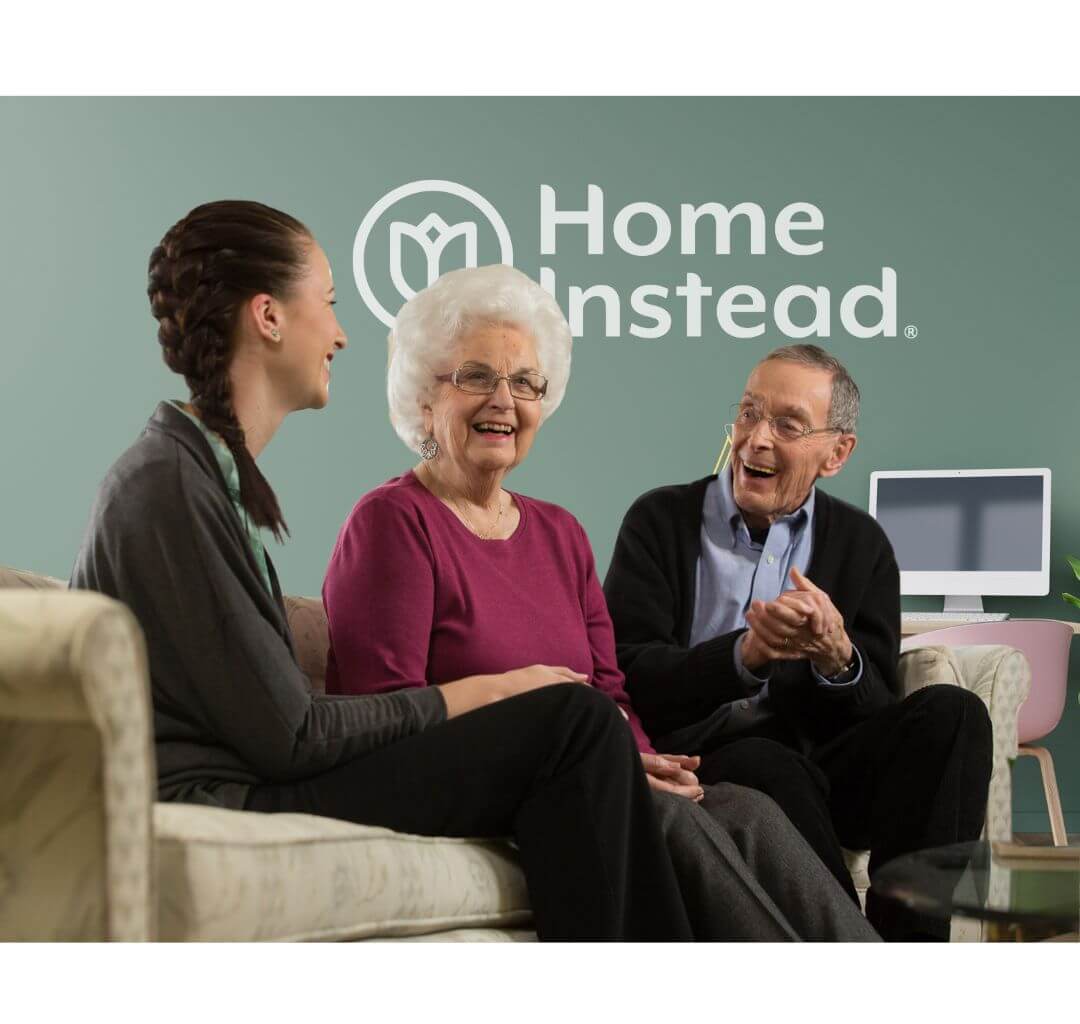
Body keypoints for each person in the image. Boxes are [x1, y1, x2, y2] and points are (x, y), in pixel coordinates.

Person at [70, 199, 728, 942]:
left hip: (252, 779)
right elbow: (292, 737)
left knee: (607, 739)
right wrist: (501, 687)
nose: (342, 334)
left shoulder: (197, 475)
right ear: (268, 316)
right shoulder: (169, 485)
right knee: (572, 724)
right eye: (327, 304)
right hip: (227, 796)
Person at [322, 264, 879, 942]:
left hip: (590, 770)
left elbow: (611, 687)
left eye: (525, 382)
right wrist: (609, 772)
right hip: (475, 781)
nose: (505, 400)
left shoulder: (560, 533)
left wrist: (645, 761)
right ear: (421, 400)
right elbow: (387, 712)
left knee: (747, 808)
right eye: (475, 376)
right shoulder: (392, 522)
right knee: (666, 819)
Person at [603, 343, 994, 940]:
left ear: (836, 453)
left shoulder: (862, 543)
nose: (757, 438)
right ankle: (851, 952)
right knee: (767, 758)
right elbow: (626, 672)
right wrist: (743, 657)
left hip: (826, 767)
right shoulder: (659, 520)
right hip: (710, 756)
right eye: (749, 413)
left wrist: (840, 659)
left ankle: (912, 946)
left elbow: (877, 706)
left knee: (955, 713)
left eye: (787, 424)